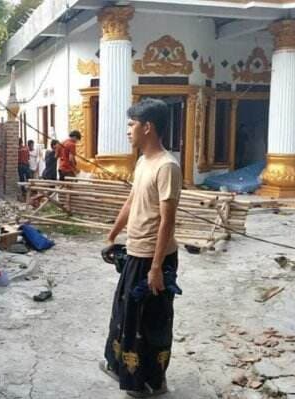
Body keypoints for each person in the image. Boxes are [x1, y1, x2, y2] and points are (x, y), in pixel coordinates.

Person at [100, 99, 182, 398]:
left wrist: (158, 267)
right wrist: (112, 235)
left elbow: (167, 222)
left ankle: (152, 383)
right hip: (136, 252)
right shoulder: (142, 161)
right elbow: (132, 201)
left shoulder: (167, 166)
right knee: (126, 316)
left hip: (155, 258)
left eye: (132, 125)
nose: (128, 131)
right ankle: (123, 369)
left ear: (148, 127)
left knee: (152, 322)